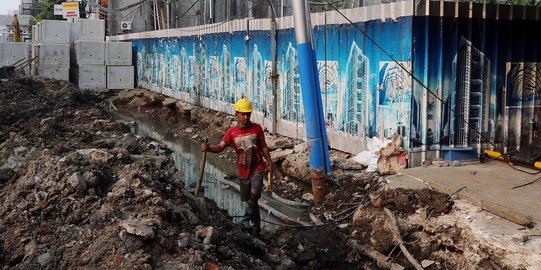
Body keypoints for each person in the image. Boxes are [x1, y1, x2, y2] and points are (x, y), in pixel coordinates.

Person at [201, 98, 273, 234]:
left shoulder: (257, 129)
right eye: (243, 114)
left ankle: (245, 220)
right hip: (243, 171)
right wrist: (209, 148)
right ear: (237, 115)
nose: (246, 117)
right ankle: (256, 228)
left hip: (257, 168)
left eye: (248, 114)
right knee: (251, 201)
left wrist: (270, 162)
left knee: (254, 194)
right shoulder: (232, 132)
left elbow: (263, 146)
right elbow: (220, 146)